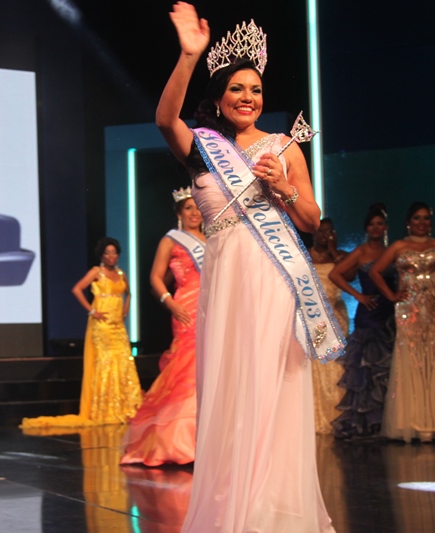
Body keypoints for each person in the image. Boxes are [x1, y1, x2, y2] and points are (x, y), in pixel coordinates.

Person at [156, 3, 344, 531]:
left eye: (256, 90)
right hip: (227, 283)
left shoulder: (284, 147)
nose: (247, 97)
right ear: (219, 95)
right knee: (232, 389)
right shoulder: (202, 146)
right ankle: (233, 506)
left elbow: (311, 220)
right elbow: (165, 119)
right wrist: (189, 55)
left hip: (273, 281)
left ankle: (271, 508)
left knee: (273, 385)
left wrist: (283, 187)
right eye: (237, 88)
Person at [369, 202, 435, 443]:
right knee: (412, 359)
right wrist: (392, 295)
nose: (422, 222)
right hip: (408, 310)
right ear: (408, 222)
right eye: (417, 218)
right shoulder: (399, 246)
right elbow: (375, 271)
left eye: (426, 218)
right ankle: (413, 424)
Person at [121, 188, 205, 466]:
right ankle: (179, 440)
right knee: (187, 368)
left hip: (211, 307)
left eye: (197, 207)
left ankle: (206, 439)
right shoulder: (171, 239)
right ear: (179, 213)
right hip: (185, 308)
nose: (194, 213)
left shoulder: (211, 239)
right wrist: (170, 303)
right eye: (188, 208)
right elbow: (156, 278)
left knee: (208, 368)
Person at [21, 237, 142, 429]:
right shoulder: (96, 272)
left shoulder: (121, 274)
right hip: (102, 325)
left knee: (122, 362)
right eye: (107, 253)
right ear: (101, 255)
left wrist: (126, 309)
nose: (111, 256)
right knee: (105, 363)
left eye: (114, 252)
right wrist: (92, 310)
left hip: (118, 325)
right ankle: (105, 407)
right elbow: (77, 289)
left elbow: (129, 293)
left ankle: (124, 405)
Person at [329, 203, 396, 439]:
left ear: (385, 227)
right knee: (367, 370)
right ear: (366, 228)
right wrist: (358, 296)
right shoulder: (361, 252)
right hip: (369, 313)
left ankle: (390, 422)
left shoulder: (392, 251)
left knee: (390, 369)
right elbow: (335, 274)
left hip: (391, 313)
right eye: (371, 224)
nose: (376, 228)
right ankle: (367, 424)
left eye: (380, 224)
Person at [309, 218, 349, 434]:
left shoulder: (340, 256)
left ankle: (337, 416)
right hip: (313, 316)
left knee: (335, 363)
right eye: (321, 231)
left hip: (336, 315)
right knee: (316, 364)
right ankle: (315, 415)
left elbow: (350, 275)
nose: (325, 235)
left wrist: (333, 251)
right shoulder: (304, 254)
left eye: (329, 232)